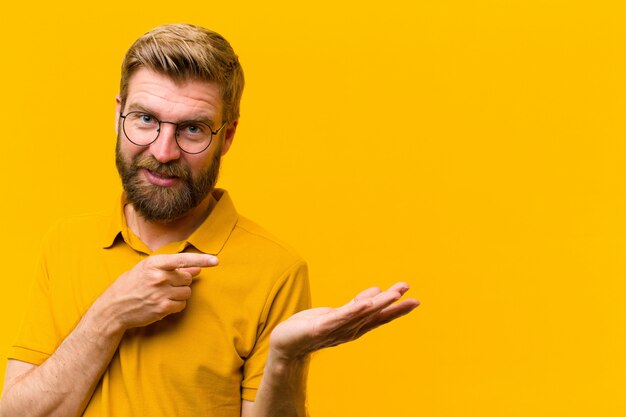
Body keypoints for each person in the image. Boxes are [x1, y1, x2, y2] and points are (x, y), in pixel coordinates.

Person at [0, 23, 419, 417]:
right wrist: (109, 315)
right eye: (145, 119)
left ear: (228, 136)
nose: (163, 151)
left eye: (193, 129)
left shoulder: (277, 271)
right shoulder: (66, 242)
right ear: (118, 114)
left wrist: (284, 359)